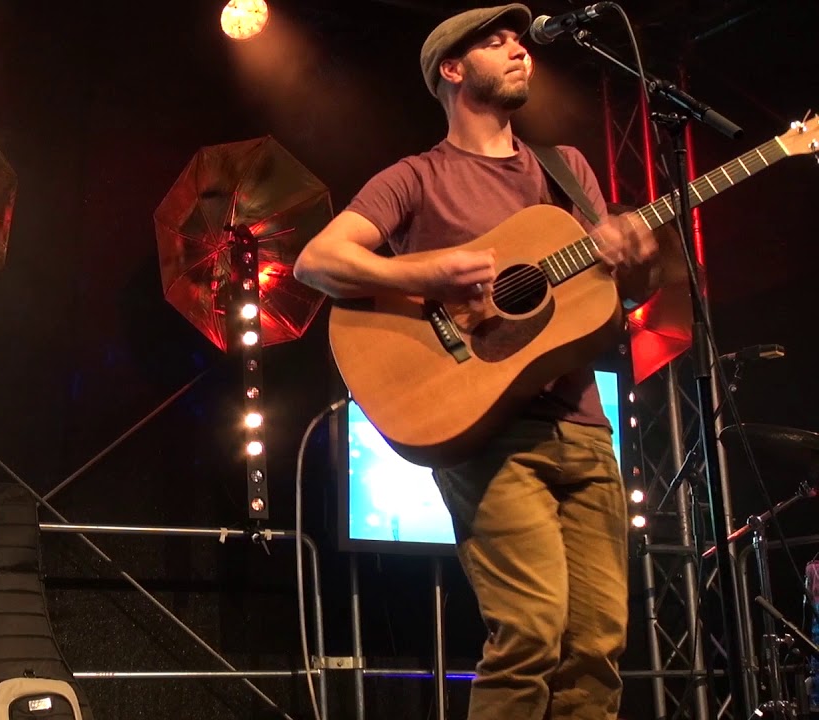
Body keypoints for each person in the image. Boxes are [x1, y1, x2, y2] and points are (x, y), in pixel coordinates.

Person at [294, 5, 662, 719]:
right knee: (529, 631)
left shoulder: (568, 169)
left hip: (585, 430)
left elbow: (611, 297)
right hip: (488, 431)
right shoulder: (416, 177)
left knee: (596, 647)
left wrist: (637, 262)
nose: (519, 48)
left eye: (519, 37)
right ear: (453, 70)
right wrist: (430, 273)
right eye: (496, 41)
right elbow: (319, 260)